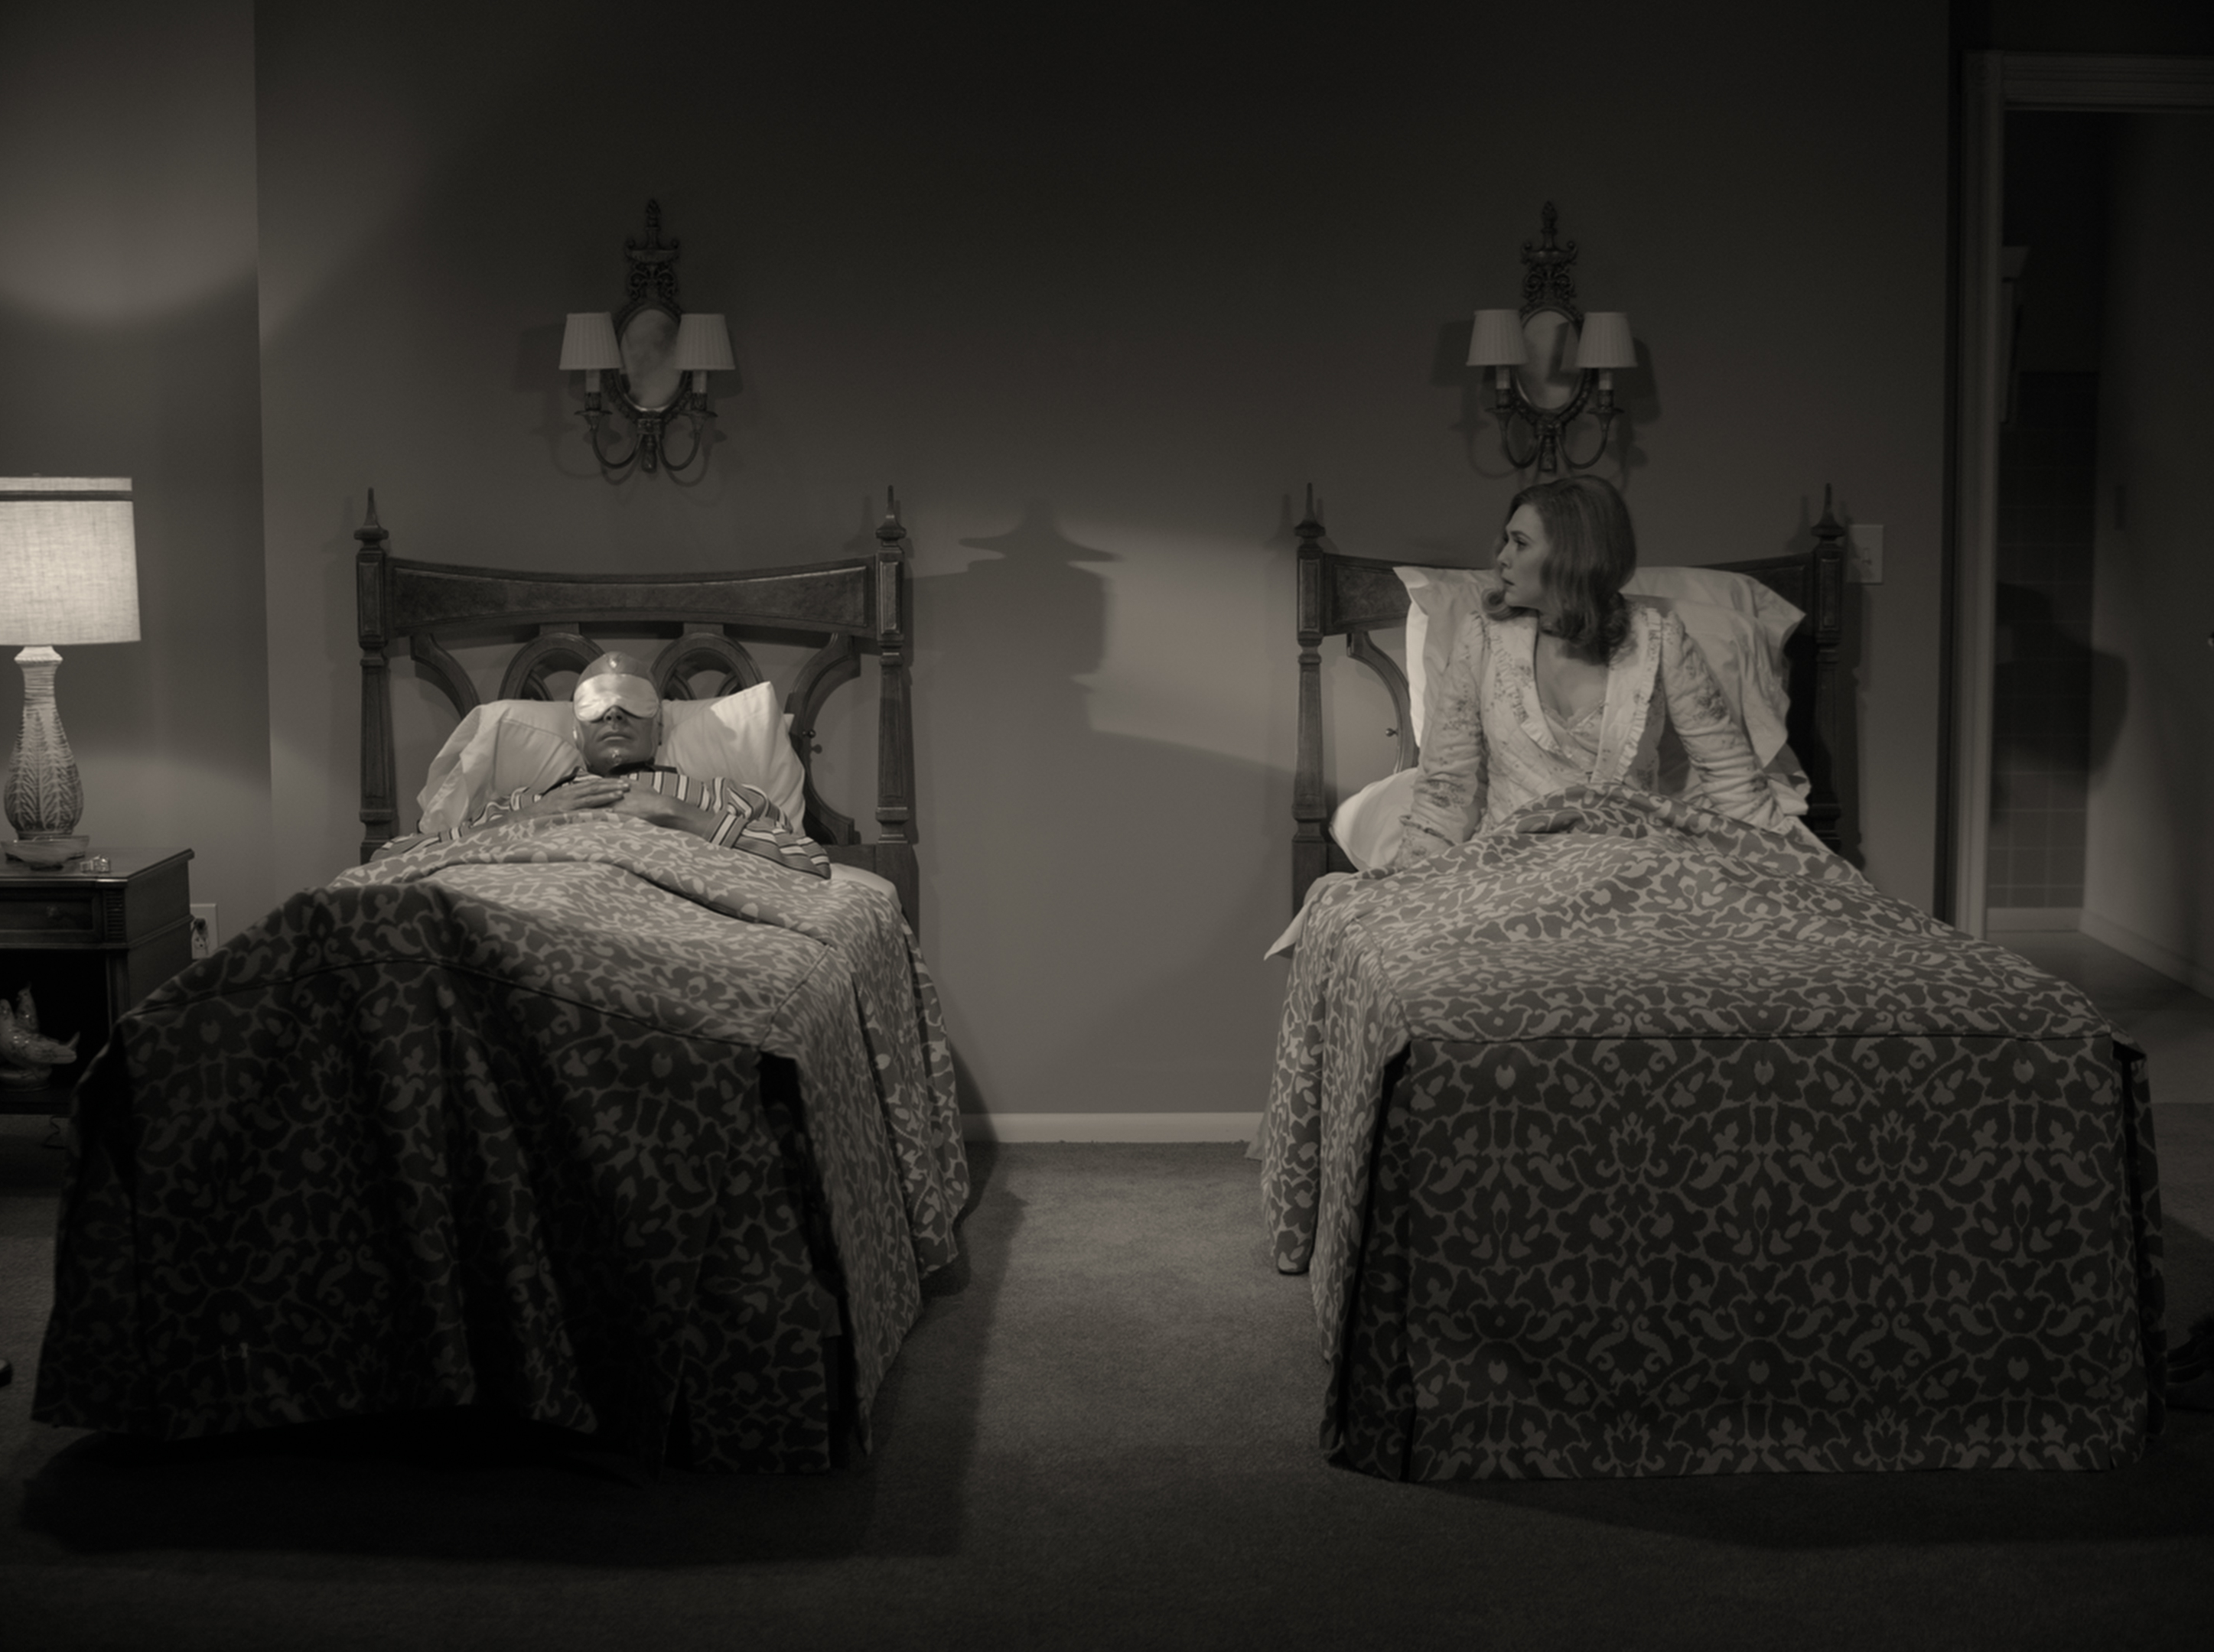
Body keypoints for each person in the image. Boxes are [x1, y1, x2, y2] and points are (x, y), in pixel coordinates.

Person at [1395, 475, 1801, 867]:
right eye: (1507, 540)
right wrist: (1409, 878)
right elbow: (1444, 787)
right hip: (1513, 866)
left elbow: (1732, 778)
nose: (1502, 558)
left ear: (1573, 557)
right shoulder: (1482, 638)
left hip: (1630, 867)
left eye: (1520, 543)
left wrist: (1787, 865)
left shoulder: (1658, 640)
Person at [374, 652, 828, 876]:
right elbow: (388, 860)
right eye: (597, 709)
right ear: (575, 733)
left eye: (633, 706)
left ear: (660, 728)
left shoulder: (720, 797)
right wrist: (523, 820)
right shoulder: (522, 804)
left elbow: (809, 860)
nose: (613, 715)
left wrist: (678, 813)